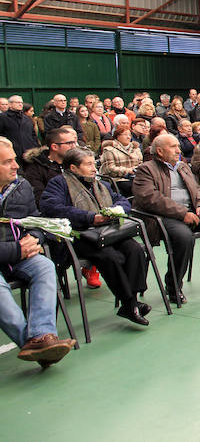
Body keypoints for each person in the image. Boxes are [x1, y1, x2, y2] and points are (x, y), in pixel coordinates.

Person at [40, 147, 151, 326]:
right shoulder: (59, 183)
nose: (94, 168)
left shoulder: (100, 184)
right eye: (88, 164)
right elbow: (52, 207)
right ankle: (130, 303)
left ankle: (132, 300)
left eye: (94, 163)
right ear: (73, 168)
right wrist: (90, 217)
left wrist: (117, 210)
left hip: (108, 231)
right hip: (80, 234)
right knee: (109, 256)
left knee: (135, 249)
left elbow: (120, 199)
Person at [133, 133, 200, 304]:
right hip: (163, 217)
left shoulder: (183, 166)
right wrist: (182, 213)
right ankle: (173, 286)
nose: (178, 150)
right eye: (173, 147)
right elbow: (150, 199)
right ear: (160, 151)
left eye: (178, 146)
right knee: (184, 237)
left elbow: (196, 188)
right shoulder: (146, 169)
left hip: (192, 212)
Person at [0, 138, 77, 366]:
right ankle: (40, 344)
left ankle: (42, 335)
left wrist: (35, 237)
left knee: (44, 266)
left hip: (21, 255)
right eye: (8, 162)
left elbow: (35, 219)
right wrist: (17, 249)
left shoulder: (20, 186)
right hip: (14, 252)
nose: (16, 166)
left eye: (14, 160)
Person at [99, 124, 143, 196]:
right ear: (118, 136)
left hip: (135, 177)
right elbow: (109, 168)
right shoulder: (109, 149)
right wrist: (128, 171)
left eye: (129, 135)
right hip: (117, 179)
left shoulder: (136, 149)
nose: (128, 137)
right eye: (125, 134)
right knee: (133, 187)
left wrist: (136, 170)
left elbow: (140, 163)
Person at [0, 95, 39, 160]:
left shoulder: (26, 118)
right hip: (12, 153)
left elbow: (33, 135)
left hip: (29, 154)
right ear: (10, 104)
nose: (20, 104)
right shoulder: (2, 117)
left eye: (21, 103)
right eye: (17, 102)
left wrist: (35, 148)